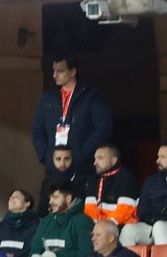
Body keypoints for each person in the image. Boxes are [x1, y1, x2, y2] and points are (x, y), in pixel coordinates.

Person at [30, 56, 114, 184]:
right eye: (54, 71)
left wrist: (82, 154)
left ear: (73, 72)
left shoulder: (91, 96)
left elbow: (103, 128)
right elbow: (37, 129)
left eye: (60, 71)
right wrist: (45, 155)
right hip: (54, 168)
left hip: (83, 169)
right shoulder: (48, 97)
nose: (54, 75)